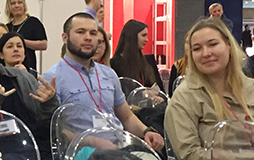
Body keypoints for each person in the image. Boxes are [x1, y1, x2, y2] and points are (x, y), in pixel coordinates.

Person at [165, 17, 254, 160]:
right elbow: (189, 155)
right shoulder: (185, 96)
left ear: (229, 46)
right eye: (197, 48)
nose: (206, 53)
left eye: (213, 44)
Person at [42, 12, 164, 151]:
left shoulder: (108, 74)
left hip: (120, 148)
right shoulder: (52, 78)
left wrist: (146, 132)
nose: (88, 38)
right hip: (82, 155)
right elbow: (56, 130)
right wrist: (91, 142)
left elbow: (127, 117)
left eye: (93, 33)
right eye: (81, 32)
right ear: (65, 37)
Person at [110, 19, 164, 92]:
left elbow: (161, 91)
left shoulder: (149, 61)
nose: (147, 39)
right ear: (132, 37)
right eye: (143, 35)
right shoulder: (115, 63)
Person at [4, 0, 48, 72]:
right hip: (10, 69)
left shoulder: (33, 22)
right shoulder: (7, 27)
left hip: (29, 68)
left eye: (19, 2)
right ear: (9, 7)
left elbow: (44, 45)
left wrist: (22, 42)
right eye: (13, 3)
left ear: (24, 6)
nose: (17, 5)